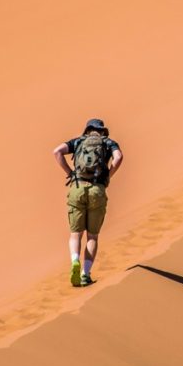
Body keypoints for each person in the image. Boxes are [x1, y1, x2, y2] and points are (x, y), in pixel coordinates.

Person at [53, 118, 123, 286]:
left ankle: (75, 260)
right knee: (92, 236)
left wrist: (71, 173)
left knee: (76, 234)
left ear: (87, 129)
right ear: (102, 131)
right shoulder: (108, 142)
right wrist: (108, 176)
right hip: (97, 191)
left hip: (77, 188)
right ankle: (85, 273)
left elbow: (57, 152)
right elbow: (118, 157)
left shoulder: (78, 141)